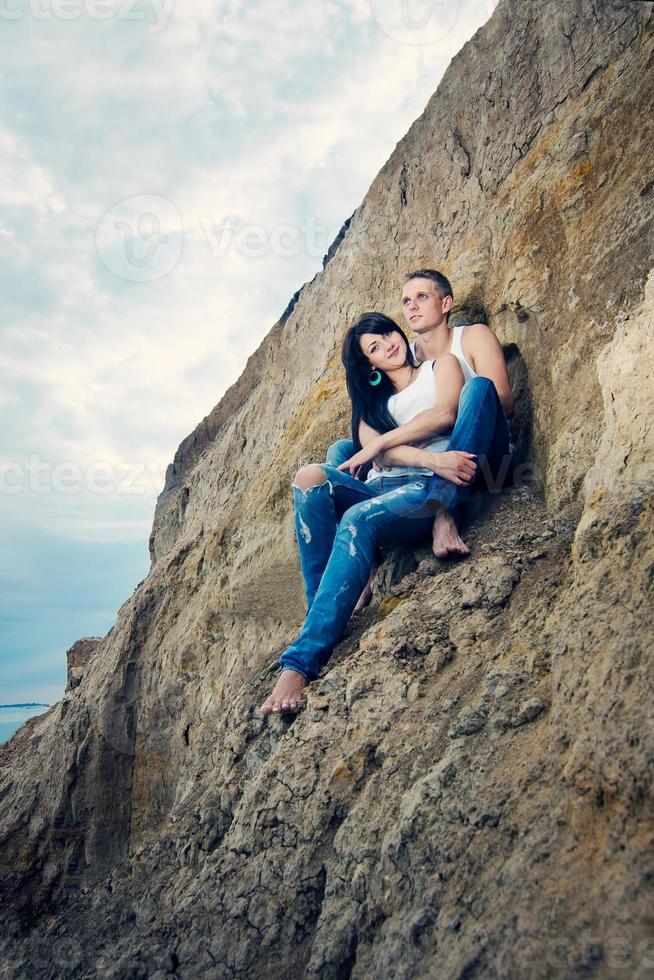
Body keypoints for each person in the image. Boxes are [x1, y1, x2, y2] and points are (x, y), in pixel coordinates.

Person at [259, 313, 476, 716]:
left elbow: (445, 414)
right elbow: (382, 452)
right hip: (387, 483)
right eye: (373, 348)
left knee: (356, 518)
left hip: (424, 490)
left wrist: (391, 451)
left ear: (399, 331)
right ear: (370, 365)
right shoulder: (371, 405)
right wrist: (400, 450)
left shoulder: (440, 366)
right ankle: (321, 611)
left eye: (387, 334)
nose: (387, 345)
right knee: (309, 477)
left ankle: (300, 663)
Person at [328, 269, 515, 559]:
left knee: (477, 388)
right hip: (429, 463)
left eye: (422, 297)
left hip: (486, 455)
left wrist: (438, 426)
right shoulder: (404, 356)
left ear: (445, 304)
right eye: (406, 301)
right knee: (342, 449)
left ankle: (445, 513)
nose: (412, 305)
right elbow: (384, 416)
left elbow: (502, 402)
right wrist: (406, 436)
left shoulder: (471, 337)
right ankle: (363, 549)